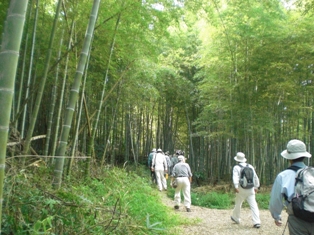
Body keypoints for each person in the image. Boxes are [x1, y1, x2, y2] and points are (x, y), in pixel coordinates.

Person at [269, 139, 313, 234]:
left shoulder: (283, 176)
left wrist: (276, 216)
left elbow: (275, 200)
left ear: (289, 158)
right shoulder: (312, 173)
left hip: (297, 218)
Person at [231, 152, 261, 228]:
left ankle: (236, 218)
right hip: (250, 188)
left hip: (241, 189)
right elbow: (255, 177)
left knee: (238, 203)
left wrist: (236, 186)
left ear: (237, 159)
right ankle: (257, 222)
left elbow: (235, 177)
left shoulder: (236, 167)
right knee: (254, 205)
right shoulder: (250, 166)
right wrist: (256, 186)